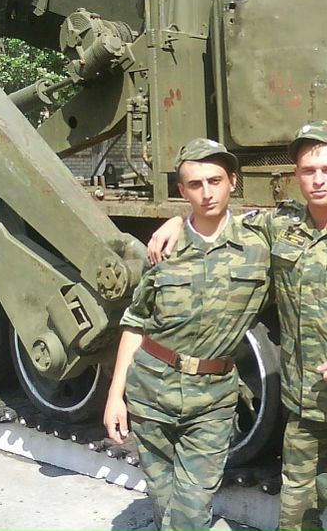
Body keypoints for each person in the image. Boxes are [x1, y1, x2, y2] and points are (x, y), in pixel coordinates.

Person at [148, 121, 327, 531]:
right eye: (309, 171)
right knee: (295, 517)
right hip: (305, 406)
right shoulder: (281, 225)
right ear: (297, 175)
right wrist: (177, 220)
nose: (318, 180)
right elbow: (217, 218)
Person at [103, 138, 270, 531]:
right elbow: (136, 322)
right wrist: (115, 396)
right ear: (182, 190)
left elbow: (316, 221)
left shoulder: (259, 245)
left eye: (215, 181)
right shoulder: (163, 251)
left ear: (233, 182)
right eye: (195, 184)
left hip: (211, 402)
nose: (207, 192)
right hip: (150, 396)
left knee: (191, 514)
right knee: (164, 504)